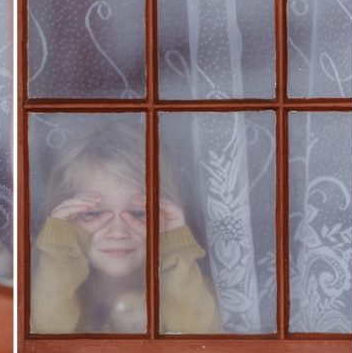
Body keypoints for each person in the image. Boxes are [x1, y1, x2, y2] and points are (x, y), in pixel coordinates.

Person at [30, 123, 222, 333]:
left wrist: (173, 244)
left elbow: (200, 340)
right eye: (93, 214)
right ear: (67, 222)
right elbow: (44, 334)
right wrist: (61, 248)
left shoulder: (187, 284)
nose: (118, 233)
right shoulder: (50, 291)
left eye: (139, 213)